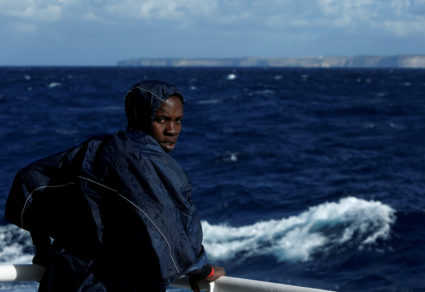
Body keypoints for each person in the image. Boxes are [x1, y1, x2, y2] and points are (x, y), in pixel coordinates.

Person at [5, 80, 225, 292]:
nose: (172, 129)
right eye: (161, 120)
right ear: (141, 116)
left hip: (66, 277)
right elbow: (170, 226)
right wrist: (202, 270)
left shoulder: (96, 148)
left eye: (178, 121)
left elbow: (29, 180)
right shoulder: (143, 161)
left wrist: (43, 249)